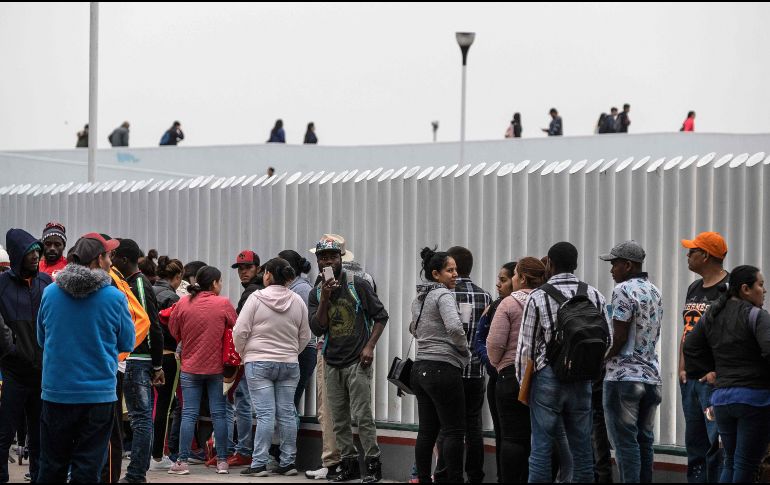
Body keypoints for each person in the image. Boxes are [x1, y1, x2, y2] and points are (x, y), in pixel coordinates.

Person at [36, 233, 135, 482]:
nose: (111, 262)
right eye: (108, 256)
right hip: (98, 395)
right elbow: (127, 342)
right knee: (88, 467)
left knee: (51, 464)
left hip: (57, 392)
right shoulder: (114, 297)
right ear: (98, 260)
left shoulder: (50, 293)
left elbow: (41, 339)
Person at [516, 242, 610, 483]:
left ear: (550, 264)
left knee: (541, 449)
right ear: (576, 265)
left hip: (547, 378)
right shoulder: (593, 294)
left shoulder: (537, 297)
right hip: (582, 379)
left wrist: (524, 384)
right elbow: (606, 340)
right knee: (582, 451)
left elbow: (526, 348)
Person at [308, 235, 389, 483]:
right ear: (318, 261)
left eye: (332, 256)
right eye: (323, 257)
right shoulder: (316, 292)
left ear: (341, 257)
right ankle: (348, 465)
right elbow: (318, 328)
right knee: (339, 419)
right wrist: (324, 299)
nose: (328, 261)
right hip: (332, 361)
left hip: (357, 360)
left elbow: (381, 316)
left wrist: (370, 347)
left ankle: (373, 464)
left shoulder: (358, 284)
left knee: (363, 416)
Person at [684, 265, 770, 482]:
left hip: (722, 399)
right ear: (745, 289)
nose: (764, 290)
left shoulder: (712, 316)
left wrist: (710, 371)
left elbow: (690, 346)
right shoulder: (757, 316)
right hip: (754, 399)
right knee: (745, 463)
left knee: (730, 461)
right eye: (760, 285)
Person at [234, 257, 311, 477]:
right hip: (289, 363)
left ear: (267, 274)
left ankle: (259, 463)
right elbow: (305, 335)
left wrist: (244, 353)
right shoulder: (297, 300)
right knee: (287, 413)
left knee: (266, 414)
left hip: (258, 362)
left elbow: (240, 330)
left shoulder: (256, 298)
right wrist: (291, 352)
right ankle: (288, 463)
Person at [600, 241, 664, 483]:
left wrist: (602, 359)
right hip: (651, 378)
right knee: (645, 440)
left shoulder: (623, 290)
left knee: (625, 443)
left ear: (628, 265)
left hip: (623, 378)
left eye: (614, 264)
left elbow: (619, 337)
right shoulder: (655, 290)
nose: (611, 270)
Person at [168, 266, 237, 475]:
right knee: (219, 413)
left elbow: (173, 329)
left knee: (189, 413)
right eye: (220, 281)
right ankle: (223, 461)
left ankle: (182, 461)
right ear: (215, 283)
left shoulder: (183, 302)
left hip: (190, 367)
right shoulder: (223, 303)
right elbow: (236, 325)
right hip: (216, 368)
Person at [410, 247, 469, 483]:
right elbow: (455, 328)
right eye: (450, 270)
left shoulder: (419, 298)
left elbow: (413, 328)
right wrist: (465, 349)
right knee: (454, 430)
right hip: (443, 368)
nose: (455, 274)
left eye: (456, 269)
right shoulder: (444, 295)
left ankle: (423, 478)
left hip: (421, 368)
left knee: (427, 430)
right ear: (436, 274)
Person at [433, 246, 490, 483]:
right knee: (473, 426)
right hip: (476, 371)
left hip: (449, 370)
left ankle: (444, 474)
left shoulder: (441, 295)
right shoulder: (485, 296)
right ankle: (475, 476)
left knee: (447, 427)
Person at [487, 257, 547, 483]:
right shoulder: (547, 300)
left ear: (522, 278)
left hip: (511, 375)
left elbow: (494, 345)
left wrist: (498, 363)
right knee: (537, 436)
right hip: (542, 376)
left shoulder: (509, 304)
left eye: (514, 275)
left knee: (512, 437)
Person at [111, 239, 165, 483]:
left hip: (137, 359)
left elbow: (149, 324)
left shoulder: (139, 284)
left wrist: (157, 365)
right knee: (137, 418)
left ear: (123, 259)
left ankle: (136, 474)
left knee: (140, 418)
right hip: (133, 359)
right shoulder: (126, 283)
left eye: (113, 257)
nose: (109, 262)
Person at [0, 229, 51, 483]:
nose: (35, 256)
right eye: (30, 252)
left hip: (43, 370)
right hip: (14, 371)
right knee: (5, 430)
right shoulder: (2, 284)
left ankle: (39, 475)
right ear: (18, 254)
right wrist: (11, 349)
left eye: (37, 252)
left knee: (40, 431)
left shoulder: (47, 283)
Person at [678, 231, 729, 483]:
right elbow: (686, 330)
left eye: (692, 251)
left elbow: (735, 337)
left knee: (715, 443)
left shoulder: (728, 290)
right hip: (691, 380)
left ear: (706, 255)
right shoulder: (694, 288)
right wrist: (682, 367)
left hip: (713, 382)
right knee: (694, 443)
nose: (687, 256)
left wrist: (721, 372)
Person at [472, 261, 516, 483]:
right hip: (521, 379)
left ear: (517, 280)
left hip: (501, 379)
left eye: (503, 279)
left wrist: (481, 327)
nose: (498, 284)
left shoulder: (501, 307)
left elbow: (484, 345)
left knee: (505, 434)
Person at [224, 250, 262, 468]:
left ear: (257, 268)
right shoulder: (255, 289)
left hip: (250, 354)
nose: (243, 272)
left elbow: (240, 327)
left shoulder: (252, 292)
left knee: (243, 401)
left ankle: (244, 450)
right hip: (261, 354)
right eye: (239, 268)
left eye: (247, 267)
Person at [149, 256, 183, 471]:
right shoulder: (172, 298)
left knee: (144, 407)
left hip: (143, 354)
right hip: (167, 355)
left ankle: (143, 451)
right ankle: (157, 456)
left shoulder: (148, 290)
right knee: (164, 405)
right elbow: (175, 330)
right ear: (177, 277)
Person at [278, 250, 316, 408]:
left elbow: (307, 325)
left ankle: (288, 433)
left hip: (303, 350)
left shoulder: (301, 290)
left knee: (288, 403)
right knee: (285, 403)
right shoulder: (290, 288)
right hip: (294, 350)